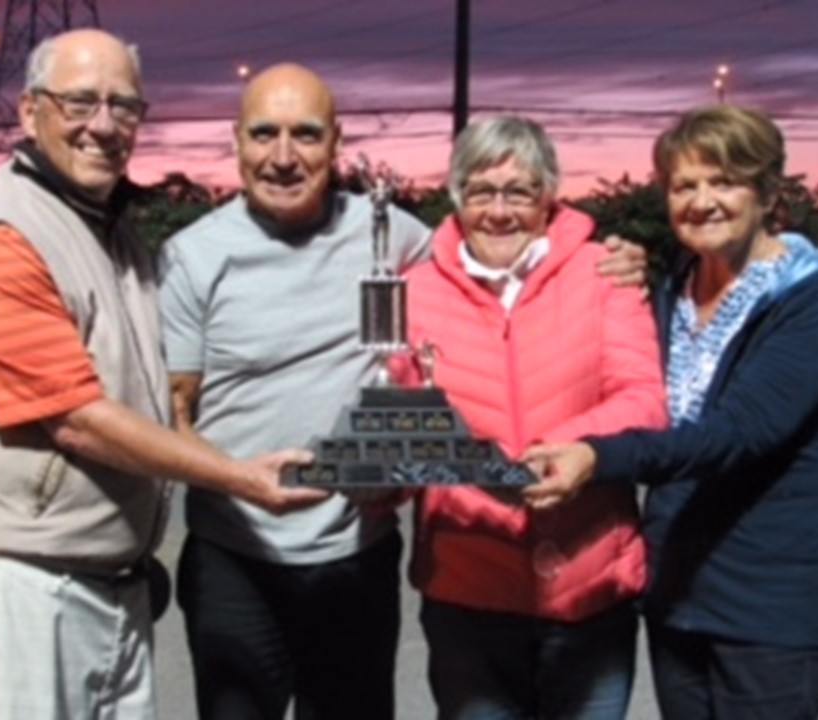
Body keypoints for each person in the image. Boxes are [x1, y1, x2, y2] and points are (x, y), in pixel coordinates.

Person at [159, 63, 650, 719]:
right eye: (263, 133)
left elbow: (491, 266)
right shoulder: (193, 255)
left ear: (336, 141)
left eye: (305, 134)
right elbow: (172, 414)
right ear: (237, 141)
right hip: (235, 551)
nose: (283, 156)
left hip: (356, 553)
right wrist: (240, 480)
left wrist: (622, 257)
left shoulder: (398, 236)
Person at [0, 30, 323, 720]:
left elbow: (158, 403)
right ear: (28, 111)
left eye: (123, 106)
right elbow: (75, 418)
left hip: (110, 586)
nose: (102, 125)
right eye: (79, 101)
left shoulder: (113, 236)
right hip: (17, 591)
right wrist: (241, 478)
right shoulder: (0, 238)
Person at [524, 105, 818, 720]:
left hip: (773, 606)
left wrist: (598, 456)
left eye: (723, 181)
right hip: (679, 594)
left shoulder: (814, 298)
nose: (702, 201)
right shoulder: (675, 284)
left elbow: (740, 433)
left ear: (768, 192)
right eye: (683, 185)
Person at [394, 115, 667, 720]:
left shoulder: (604, 274)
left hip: (590, 590)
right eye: (482, 191)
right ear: (458, 197)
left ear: (548, 198)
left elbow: (644, 397)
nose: (500, 211)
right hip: (469, 591)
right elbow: (402, 417)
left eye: (518, 192)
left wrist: (561, 451)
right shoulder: (412, 291)